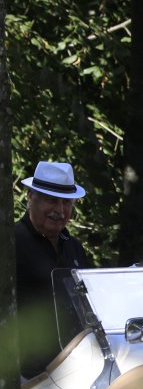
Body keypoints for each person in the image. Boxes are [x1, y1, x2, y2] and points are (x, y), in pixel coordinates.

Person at [15, 160, 93, 376]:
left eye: (66, 202)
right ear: (30, 198)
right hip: (27, 372)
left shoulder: (74, 247)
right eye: (51, 201)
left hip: (76, 366)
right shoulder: (11, 242)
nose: (60, 210)